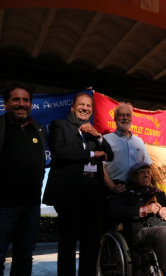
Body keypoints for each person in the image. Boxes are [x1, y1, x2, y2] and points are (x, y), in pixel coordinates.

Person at [42, 93, 114, 276]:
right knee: (68, 240)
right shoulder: (59, 125)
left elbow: (110, 155)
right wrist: (93, 155)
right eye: (81, 105)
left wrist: (98, 136)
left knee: (91, 241)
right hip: (69, 191)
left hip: (93, 190)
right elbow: (60, 152)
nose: (85, 108)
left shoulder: (93, 131)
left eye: (89, 106)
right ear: (73, 107)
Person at [0, 84, 46, 276]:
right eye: (16, 100)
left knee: (24, 258)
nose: (21, 104)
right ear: (6, 103)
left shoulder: (38, 129)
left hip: (32, 207)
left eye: (25, 100)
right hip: (3, 207)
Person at [103, 102, 152, 193]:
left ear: (131, 118)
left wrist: (151, 185)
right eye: (121, 115)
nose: (125, 118)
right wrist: (112, 187)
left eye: (128, 115)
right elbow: (101, 167)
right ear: (115, 118)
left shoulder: (139, 141)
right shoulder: (106, 139)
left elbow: (148, 166)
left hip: (137, 190)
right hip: (114, 189)